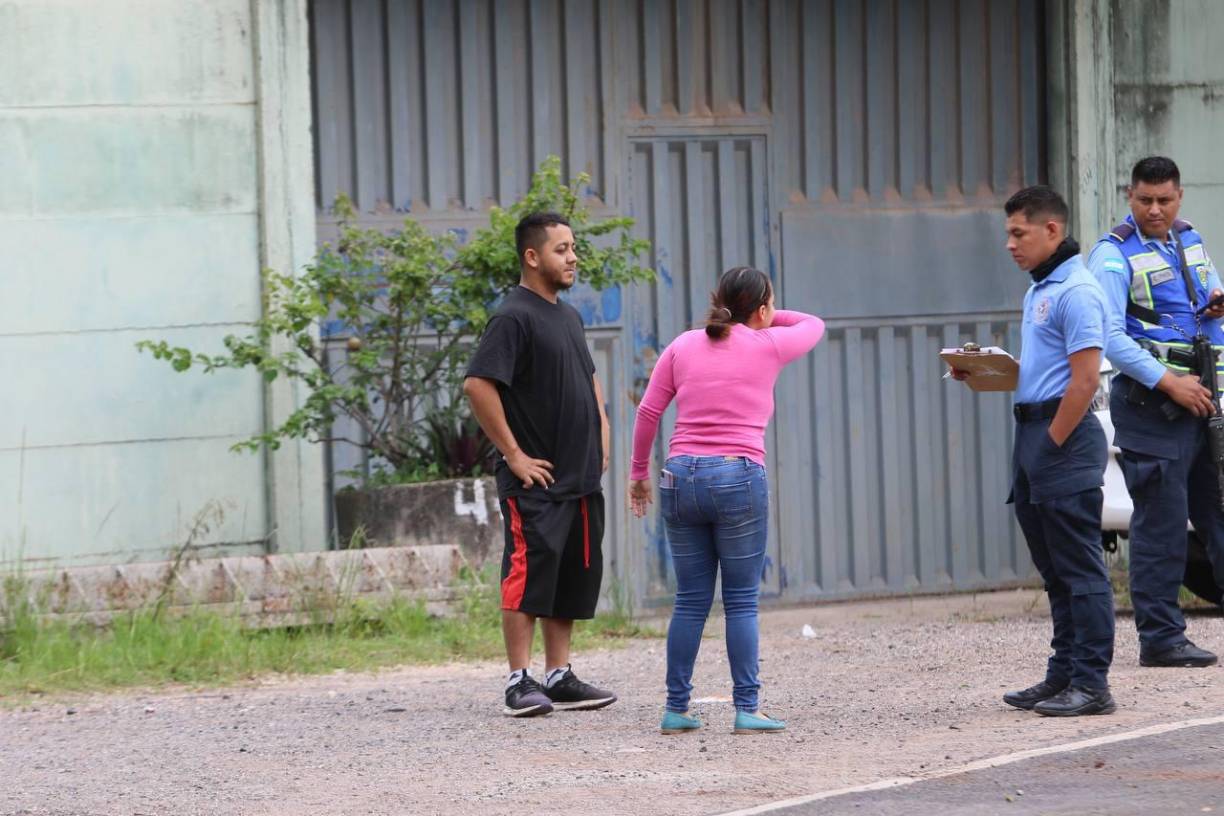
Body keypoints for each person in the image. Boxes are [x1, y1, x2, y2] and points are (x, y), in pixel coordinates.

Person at [628, 266, 824, 734]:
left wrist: (638, 474)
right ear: (761, 309)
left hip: (681, 475)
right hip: (737, 474)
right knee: (739, 600)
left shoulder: (682, 345)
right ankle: (747, 708)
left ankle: (677, 707)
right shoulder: (769, 342)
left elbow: (649, 410)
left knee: (691, 600)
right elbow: (814, 324)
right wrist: (764, 318)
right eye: (769, 304)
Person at [964, 185, 1116, 716]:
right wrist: (986, 368)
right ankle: (1064, 674)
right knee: (1054, 570)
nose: (1009, 244)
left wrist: (1051, 443)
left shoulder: (1077, 290)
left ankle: (1093, 684)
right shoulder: (1039, 289)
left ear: (1051, 230)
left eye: (1018, 233)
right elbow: (1046, 372)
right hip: (1033, 432)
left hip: (1062, 437)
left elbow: (1085, 379)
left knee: (1080, 568)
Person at [463, 212, 617, 717]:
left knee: (569, 575)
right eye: (561, 249)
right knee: (528, 575)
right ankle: (518, 681)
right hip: (537, 479)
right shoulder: (514, 316)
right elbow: (478, 385)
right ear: (532, 257)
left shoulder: (567, 316)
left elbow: (587, 377)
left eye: (573, 247)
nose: (573, 257)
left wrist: (603, 426)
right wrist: (514, 455)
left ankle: (559, 675)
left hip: (578, 476)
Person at [1087, 156, 1224, 668]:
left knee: (1217, 512)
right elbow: (1110, 338)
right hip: (1153, 406)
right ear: (1130, 195)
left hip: (1204, 399)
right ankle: (1162, 639)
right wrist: (1169, 383)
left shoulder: (1189, 240)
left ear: (1180, 196)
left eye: (1164, 199)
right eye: (1145, 199)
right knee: (1162, 525)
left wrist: (1214, 307)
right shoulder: (1113, 255)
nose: (1155, 209)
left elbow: (1201, 306)